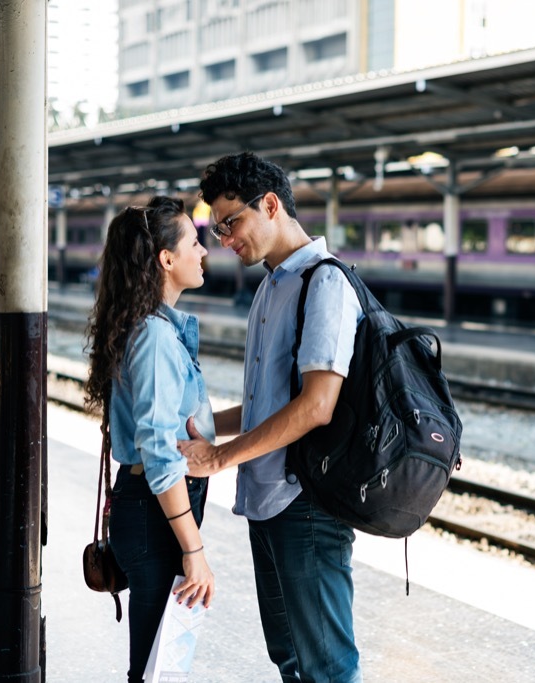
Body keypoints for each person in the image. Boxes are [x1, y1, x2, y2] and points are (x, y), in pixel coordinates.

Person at [179, 151, 364, 683]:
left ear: (271, 204)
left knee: (327, 667)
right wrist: (208, 427)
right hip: (268, 501)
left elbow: (316, 405)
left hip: (305, 501)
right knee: (290, 658)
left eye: (231, 222)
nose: (224, 238)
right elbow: (268, 403)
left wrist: (218, 457)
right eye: (215, 229)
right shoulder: (272, 284)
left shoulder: (323, 283)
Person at [84, 196, 217, 683]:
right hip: (156, 513)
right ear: (166, 259)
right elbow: (161, 455)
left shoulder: (147, 328)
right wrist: (194, 549)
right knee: (156, 666)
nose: (203, 252)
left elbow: (178, 420)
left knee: (157, 658)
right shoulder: (157, 339)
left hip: (145, 509)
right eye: (195, 243)